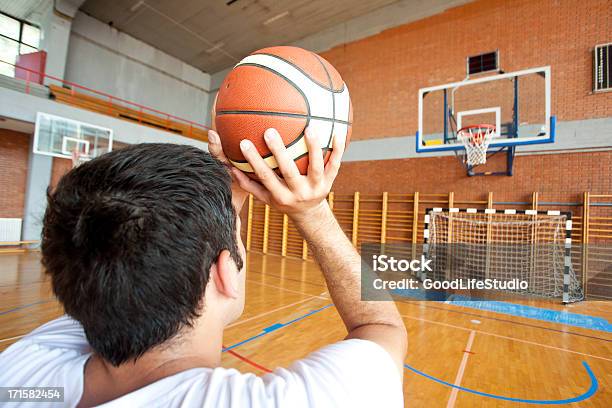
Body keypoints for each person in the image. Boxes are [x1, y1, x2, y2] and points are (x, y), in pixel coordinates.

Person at [0, 127, 407, 407]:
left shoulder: (21, 377)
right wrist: (312, 211)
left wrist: (230, 189)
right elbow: (382, 327)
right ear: (224, 273)